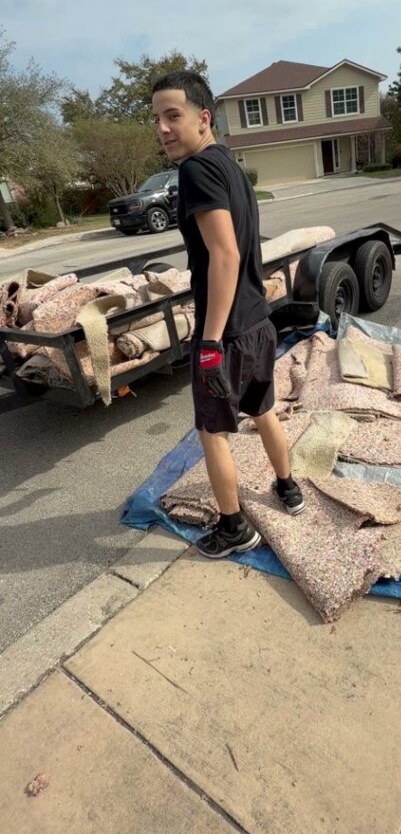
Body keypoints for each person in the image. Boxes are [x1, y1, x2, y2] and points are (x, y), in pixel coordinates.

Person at [151, 71, 304, 558]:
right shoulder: (229, 165)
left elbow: (225, 255)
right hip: (258, 321)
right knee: (262, 410)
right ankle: (288, 488)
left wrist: (211, 342)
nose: (163, 128)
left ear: (203, 117)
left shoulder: (196, 171)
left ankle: (234, 528)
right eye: (156, 119)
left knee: (212, 431)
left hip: (229, 333)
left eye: (172, 116)